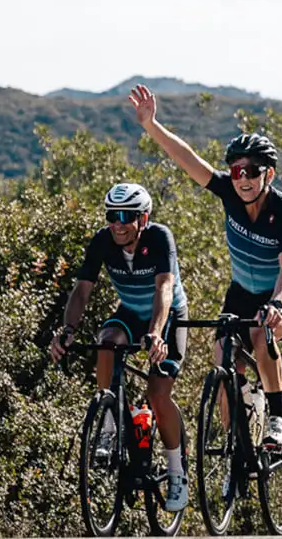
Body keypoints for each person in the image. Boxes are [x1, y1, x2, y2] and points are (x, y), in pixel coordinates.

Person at [129, 84, 282, 446]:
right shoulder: (229, 191)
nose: (242, 178)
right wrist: (151, 125)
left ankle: (276, 417)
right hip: (241, 294)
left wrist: (277, 302)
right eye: (236, 170)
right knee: (222, 359)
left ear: (268, 175)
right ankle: (236, 448)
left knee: (261, 333)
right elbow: (189, 159)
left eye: (252, 171)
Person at [49, 182, 189, 511]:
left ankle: (176, 471)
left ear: (144, 218)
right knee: (106, 342)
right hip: (130, 312)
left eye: (126, 216)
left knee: (157, 394)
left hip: (166, 315)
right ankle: (109, 425)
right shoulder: (102, 241)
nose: (118, 223)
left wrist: (156, 333)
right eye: (113, 215)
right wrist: (67, 330)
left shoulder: (159, 237)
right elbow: (82, 290)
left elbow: (164, 288)